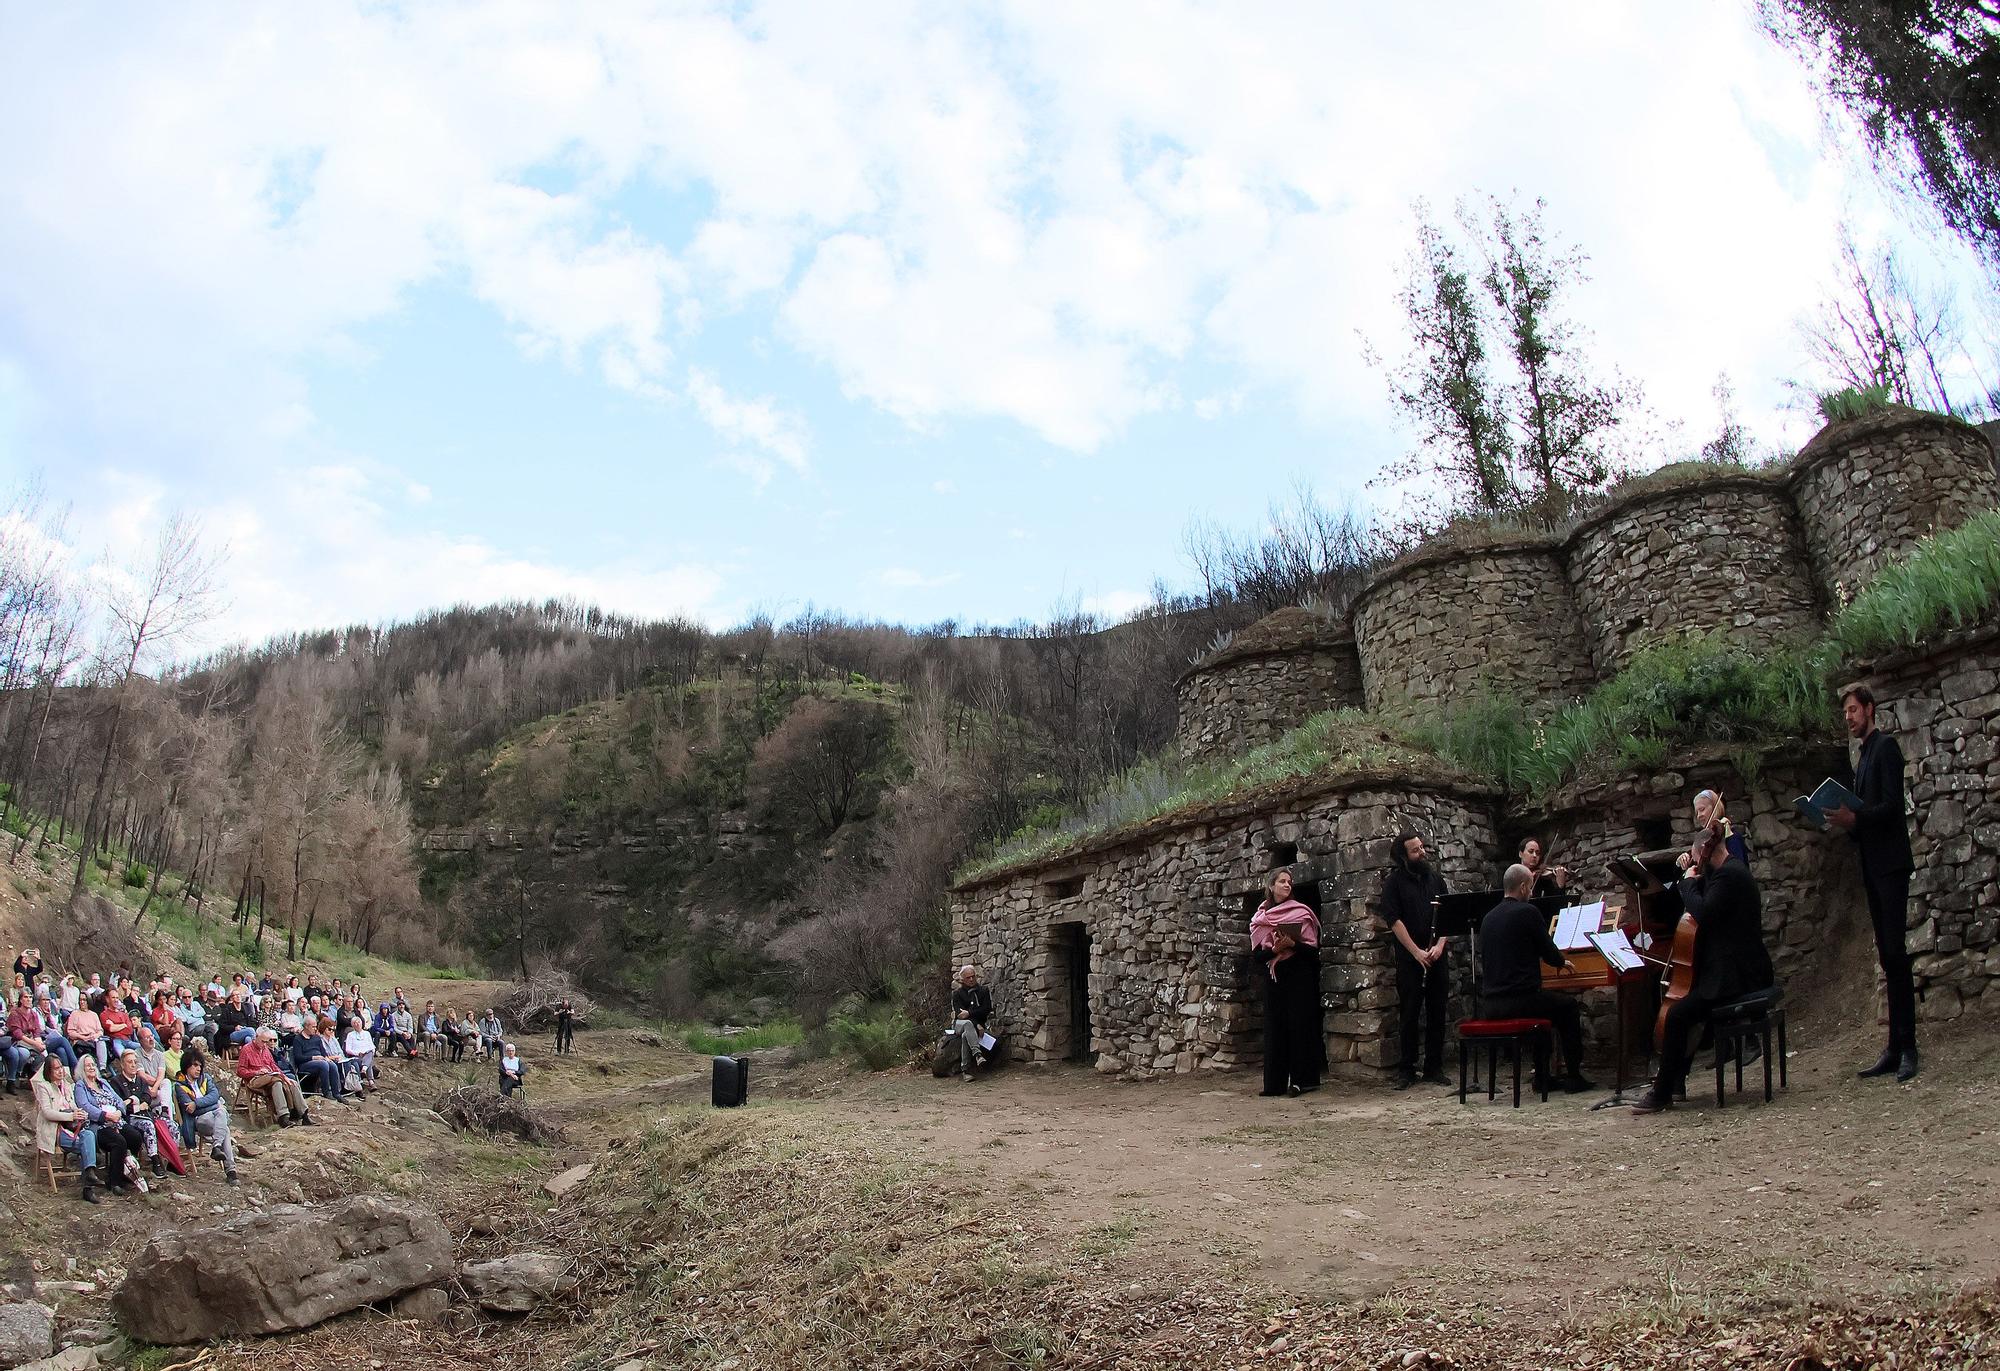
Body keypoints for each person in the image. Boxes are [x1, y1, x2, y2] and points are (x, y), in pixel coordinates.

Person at [1631, 819, 1775, 1114]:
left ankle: (1663, 1092)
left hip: (1739, 977)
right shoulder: (1727, 873)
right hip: (1734, 970)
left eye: (1697, 858)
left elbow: (1705, 912)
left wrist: (1687, 883)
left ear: (1707, 854)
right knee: (1687, 1012)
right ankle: (1673, 1083)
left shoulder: (1729, 877)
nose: (1697, 864)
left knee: (1678, 1015)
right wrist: (1690, 878)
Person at [1827, 684, 1920, 1083]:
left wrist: (1856, 820)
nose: (1848, 718)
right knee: (1887, 955)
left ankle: (1909, 1047)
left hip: (1891, 866)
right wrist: (1841, 821)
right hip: (1873, 865)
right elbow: (1864, 816)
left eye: (1852, 710)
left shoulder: (1886, 749)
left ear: (1869, 708)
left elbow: (1889, 809)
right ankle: (1894, 1047)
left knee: (1896, 954)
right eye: (1845, 713)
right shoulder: (1862, 757)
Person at [1478, 864, 1596, 1094]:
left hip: (1492, 1004)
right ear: (1523, 887)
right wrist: (1562, 962)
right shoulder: (1528, 912)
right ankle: (1573, 1076)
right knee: (1568, 1007)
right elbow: (1547, 950)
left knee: (1547, 1007)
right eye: (1530, 888)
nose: (1531, 893)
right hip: (1520, 1001)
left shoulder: (1488, 918)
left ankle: (1543, 1077)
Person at [1380, 831, 1450, 1089]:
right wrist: (1416, 952)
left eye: (1422, 848)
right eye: (1415, 850)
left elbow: (1447, 916)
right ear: (1403, 856)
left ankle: (1434, 1067)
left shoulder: (1436, 880)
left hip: (1436, 956)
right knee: (1409, 1013)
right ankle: (1406, 1070)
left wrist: (1440, 946)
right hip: (1411, 959)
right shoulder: (1393, 883)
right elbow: (1394, 920)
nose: (1422, 853)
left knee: (1437, 1011)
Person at [1247, 869, 1324, 1097]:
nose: (1287, 885)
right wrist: (1274, 949)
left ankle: (1303, 1081)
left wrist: (1292, 944)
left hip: (1299, 977)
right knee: (1275, 1029)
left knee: (1299, 1028)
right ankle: (1274, 1084)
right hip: (1275, 978)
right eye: (1282, 881)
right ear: (1271, 886)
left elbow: (1312, 951)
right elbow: (1258, 957)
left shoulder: (1301, 913)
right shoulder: (1261, 917)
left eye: (1289, 882)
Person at [36, 1056, 111, 1202]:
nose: (60, 1071)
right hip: (55, 1130)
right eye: (56, 1068)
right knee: (87, 1144)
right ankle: (88, 1188)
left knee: (88, 1135)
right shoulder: (43, 1087)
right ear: (49, 1071)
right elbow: (47, 1112)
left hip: (72, 1128)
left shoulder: (67, 1086)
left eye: (61, 1067)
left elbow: (73, 1105)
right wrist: (71, 1116)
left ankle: (89, 1176)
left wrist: (79, 1112)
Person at [75, 1055, 151, 1192]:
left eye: (93, 1064)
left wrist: (118, 1112)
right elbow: (84, 1106)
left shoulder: (103, 1082)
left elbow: (118, 1100)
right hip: (99, 1125)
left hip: (117, 1121)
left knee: (135, 1136)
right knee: (119, 1141)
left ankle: (125, 1171)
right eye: (88, 1065)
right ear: (82, 1069)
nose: (92, 1067)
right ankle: (114, 1182)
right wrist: (106, 1116)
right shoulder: (81, 1085)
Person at [172, 1053, 240, 1184]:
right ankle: (226, 1163)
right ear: (187, 1066)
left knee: (223, 1125)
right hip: (198, 1120)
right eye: (195, 1065)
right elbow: (191, 1110)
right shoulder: (179, 1086)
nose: (198, 1069)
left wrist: (197, 1103)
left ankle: (228, 1165)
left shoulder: (206, 1078)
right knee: (221, 1112)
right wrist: (210, 1105)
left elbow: (215, 1095)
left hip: (214, 1118)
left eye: (200, 1066)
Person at [236, 1027, 314, 1127]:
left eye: (266, 1042)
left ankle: (303, 1114)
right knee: (277, 1082)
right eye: (263, 1041)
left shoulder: (265, 1050)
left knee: (290, 1082)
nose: (264, 1044)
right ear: (256, 1037)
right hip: (254, 1079)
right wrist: (256, 1072)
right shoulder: (246, 1049)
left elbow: (273, 1066)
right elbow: (240, 1071)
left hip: (271, 1077)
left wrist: (285, 1077)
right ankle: (283, 1116)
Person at [945, 966, 995, 1082]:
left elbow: (986, 1009)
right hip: (960, 1024)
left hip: (974, 1025)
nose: (971, 979)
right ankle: (978, 1054)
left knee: (966, 1035)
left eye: (973, 976)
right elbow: (960, 1014)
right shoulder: (957, 994)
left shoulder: (983, 991)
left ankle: (966, 1070)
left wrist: (969, 1013)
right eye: (968, 978)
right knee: (967, 1024)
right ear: (963, 979)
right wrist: (975, 1023)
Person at [344, 1016, 379, 1086]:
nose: (357, 1024)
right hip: (357, 1056)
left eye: (359, 1022)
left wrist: (369, 1052)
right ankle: (371, 1081)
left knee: (370, 1053)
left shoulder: (367, 1034)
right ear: (353, 1025)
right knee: (368, 1061)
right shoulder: (350, 1035)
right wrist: (357, 1053)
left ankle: (364, 1069)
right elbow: (347, 1049)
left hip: (367, 1054)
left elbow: (372, 1047)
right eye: (355, 1023)